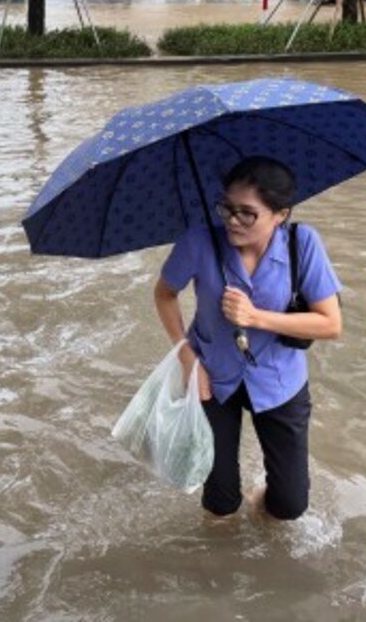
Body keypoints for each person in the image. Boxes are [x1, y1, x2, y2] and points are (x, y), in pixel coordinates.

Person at [153, 156, 343, 521]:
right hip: (212, 376)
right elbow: (163, 294)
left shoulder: (302, 244)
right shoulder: (199, 241)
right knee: (220, 503)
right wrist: (186, 355)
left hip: (279, 380)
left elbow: (331, 324)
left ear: (280, 214)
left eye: (247, 213)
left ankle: (262, 494)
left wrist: (255, 317)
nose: (232, 221)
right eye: (226, 208)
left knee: (289, 507)